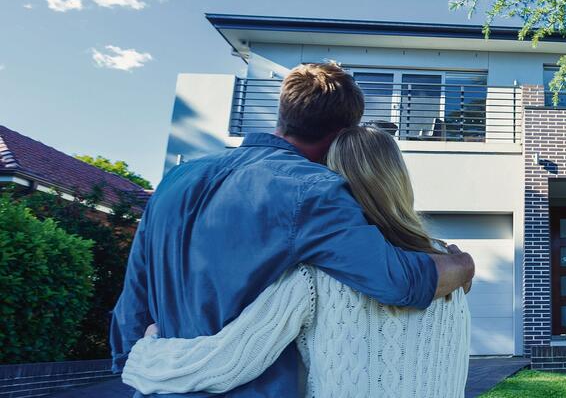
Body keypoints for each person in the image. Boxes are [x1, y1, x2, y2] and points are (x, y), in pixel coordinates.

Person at [110, 63, 475, 397]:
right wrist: (462, 266)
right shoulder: (313, 190)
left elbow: (132, 302)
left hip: (154, 386)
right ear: (342, 135)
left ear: (284, 111)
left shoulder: (176, 179)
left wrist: (138, 368)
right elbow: (397, 281)